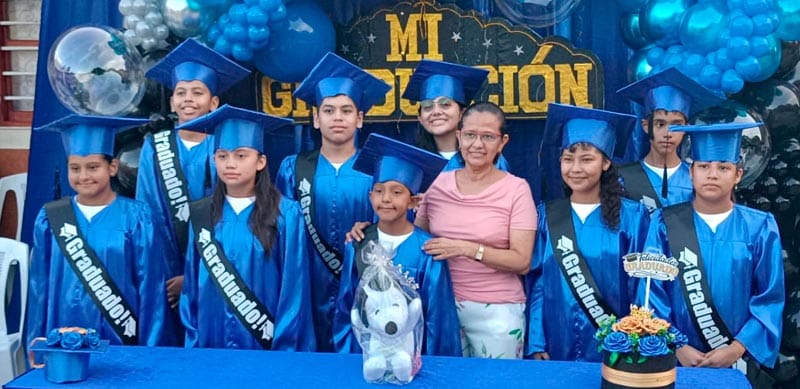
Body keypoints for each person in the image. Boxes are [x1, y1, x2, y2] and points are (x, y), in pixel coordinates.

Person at [642, 122, 784, 388]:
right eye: (703, 166)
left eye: (723, 167)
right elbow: (652, 290)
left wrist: (737, 348)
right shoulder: (665, 223)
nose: (712, 174)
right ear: (691, 172)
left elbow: (769, 296)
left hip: (735, 361)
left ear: (738, 174)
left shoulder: (759, 227)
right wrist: (676, 345)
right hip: (676, 362)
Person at [275, 52, 391, 352]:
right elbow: (280, 233)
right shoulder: (293, 167)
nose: (337, 117)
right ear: (316, 118)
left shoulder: (378, 171)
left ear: (360, 118)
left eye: (346, 110)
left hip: (364, 284)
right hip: (305, 286)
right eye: (328, 110)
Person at [27, 114, 174, 347]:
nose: (83, 176)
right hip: (63, 345)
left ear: (112, 167)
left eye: (93, 167)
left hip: (122, 342)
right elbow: (39, 290)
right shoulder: (51, 217)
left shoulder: (137, 217)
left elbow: (152, 291)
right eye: (75, 168)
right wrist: (36, 345)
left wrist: (150, 351)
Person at [178, 105, 316, 351]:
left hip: (266, 343)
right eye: (222, 156)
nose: (230, 164)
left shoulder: (287, 214)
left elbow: (294, 290)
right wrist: (194, 344)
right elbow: (190, 290)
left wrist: (283, 349)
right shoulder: (201, 214)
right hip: (212, 343)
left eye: (241, 155)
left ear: (260, 161)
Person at [526, 103, 649, 362]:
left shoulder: (633, 216)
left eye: (587, 159)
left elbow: (641, 286)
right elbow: (537, 283)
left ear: (606, 162)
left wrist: (634, 339)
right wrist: (536, 340)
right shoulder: (547, 214)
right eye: (568, 159)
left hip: (616, 345)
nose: (576, 168)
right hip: (555, 342)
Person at [137, 38, 250, 316]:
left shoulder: (224, 149)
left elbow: (233, 213)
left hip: (220, 266)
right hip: (166, 268)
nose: (188, 99)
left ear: (213, 103)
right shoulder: (155, 147)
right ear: (172, 101)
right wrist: (170, 271)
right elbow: (148, 213)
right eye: (181, 92)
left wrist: (198, 272)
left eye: (197, 92)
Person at [414, 101, 536, 359]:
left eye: (488, 137)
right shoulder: (437, 184)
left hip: (498, 311)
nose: (477, 145)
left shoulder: (517, 189)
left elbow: (522, 261)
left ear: (502, 142)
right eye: (470, 135)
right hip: (441, 305)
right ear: (459, 137)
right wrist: (369, 230)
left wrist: (466, 248)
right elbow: (415, 239)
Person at [333, 133, 461, 356]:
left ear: (413, 202)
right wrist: (350, 355)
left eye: (397, 192)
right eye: (379, 191)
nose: (386, 199)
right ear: (370, 196)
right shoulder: (359, 243)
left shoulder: (427, 250)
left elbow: (438, 319)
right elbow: (347, 305)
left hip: (413, 357)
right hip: (366, 355)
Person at [616, 67, 723, 212]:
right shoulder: (622, 179)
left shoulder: (698, 180)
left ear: (686, 128)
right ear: (646, 126)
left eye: (676, 125)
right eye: (660, 124)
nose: (668, 133)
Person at [402, 59, 509, 172]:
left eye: (445, 104)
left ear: (462, 113)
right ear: (420, 119)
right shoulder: (412, 163)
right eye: (428, 106)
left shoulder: (489, 158)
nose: (436, 112)